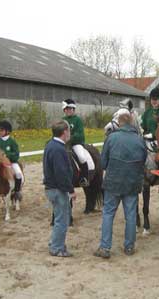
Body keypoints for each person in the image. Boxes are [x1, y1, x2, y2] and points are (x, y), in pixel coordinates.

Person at [94, 110, 147, 259]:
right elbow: (143, 162)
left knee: (108, 213)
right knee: (130, 215)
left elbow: (103, 163)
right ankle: (129, 246)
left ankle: (105, 247)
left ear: (119, 123)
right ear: (131, 123)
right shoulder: (139, 140)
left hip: (113, 183)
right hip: (131, 183)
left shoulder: (111, 138)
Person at [43, 120, 77, 257]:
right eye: (68, 131)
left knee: (60, 217)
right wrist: (71, 190)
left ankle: (55, 243)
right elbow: (61, 173)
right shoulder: (58, 149)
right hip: (58, 189)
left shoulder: (51, 145)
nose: (69, 133)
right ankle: (57, 248)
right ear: (64, 132)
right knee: (62, 220)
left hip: (52, 187)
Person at [141, 88, 159, 193]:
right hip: (147, 138)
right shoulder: (147, 112)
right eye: (152, 99)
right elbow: (142, 125)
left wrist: (152, 135)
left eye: (156, 99)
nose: (154, 101)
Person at [62, 99, 95, 187]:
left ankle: (84, 178)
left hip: (76, 144)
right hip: (64, 144)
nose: (68, 111)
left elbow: (79, 134)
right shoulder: (62, 120)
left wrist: (70, 138)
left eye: (70, 109)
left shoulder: (77, 120)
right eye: (66, 109)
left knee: (81, 157)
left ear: (73, 109)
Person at [0, 120, 23, 198]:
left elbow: (16, 155)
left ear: (7, 131)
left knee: (18, 173)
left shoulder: (12, 142)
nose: (0, 132)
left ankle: (17, 191)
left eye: (2, 130)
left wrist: (7, 155)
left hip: (11, 163)